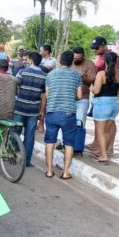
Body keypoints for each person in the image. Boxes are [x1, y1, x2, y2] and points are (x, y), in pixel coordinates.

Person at [44, 50, 82, 180]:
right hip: (69, 113)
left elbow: (48, 95)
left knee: (50, 142)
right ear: (72, 61)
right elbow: (80, 95)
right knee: (69, 143)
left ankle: (49, 170)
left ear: (60, 61)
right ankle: (66, 172)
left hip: (52, 112)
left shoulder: (50, 75)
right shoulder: (76, 75)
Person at [86, 36, 119, 154]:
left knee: (109, 124)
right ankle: (97, 143)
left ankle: (109, 147)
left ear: (104, 46)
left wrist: (115, 90)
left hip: (107, 94)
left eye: (96, 47)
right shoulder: (101, 57)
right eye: (93, 48)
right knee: (101, 122)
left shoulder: (111, 57)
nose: (94, 50)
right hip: (101, 95)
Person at [12, 52, 47, 167]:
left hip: (19, 107)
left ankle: (11, 155)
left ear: (31, 61)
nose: (26, 61)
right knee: (30, 136)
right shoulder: (44, 76)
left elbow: (15, 85)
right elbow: (43, 96)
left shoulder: (22, 72)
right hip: (33, 110)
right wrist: (42, 111)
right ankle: (26, 161)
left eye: (27, 60)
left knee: (15, 132)